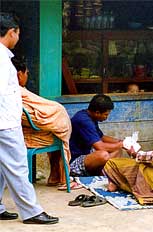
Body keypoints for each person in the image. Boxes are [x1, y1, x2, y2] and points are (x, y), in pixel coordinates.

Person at [0, 12, 58, 224]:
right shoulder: (2, 59)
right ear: (11, 32)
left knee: (1, 168)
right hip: (4, 124)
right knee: (17, 167)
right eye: (17, 33)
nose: (18, 38)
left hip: (4, 122)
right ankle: (31, 212)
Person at [11, 57, 78, 190]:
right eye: (27, 73)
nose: (27, 77)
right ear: (19, 74)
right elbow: (47, 116)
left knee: (56, 132)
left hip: (23, 132)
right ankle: (61, 178)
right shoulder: (16, 91)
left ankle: (54, 175)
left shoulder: (11, 92)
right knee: (59, 137)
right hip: (27, 138)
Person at [69, 94, 123, 176]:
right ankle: (101, 173)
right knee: (103, 155)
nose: (106, 117)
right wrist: (123, 144)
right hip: (74, 161)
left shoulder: (90, 117)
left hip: (86, 155)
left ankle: (102, 173)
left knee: (117, 150)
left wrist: (120, 142)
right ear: (97, 113)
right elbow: (100, 147)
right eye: (106, 114)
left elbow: (101, 137)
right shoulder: (84, 121)